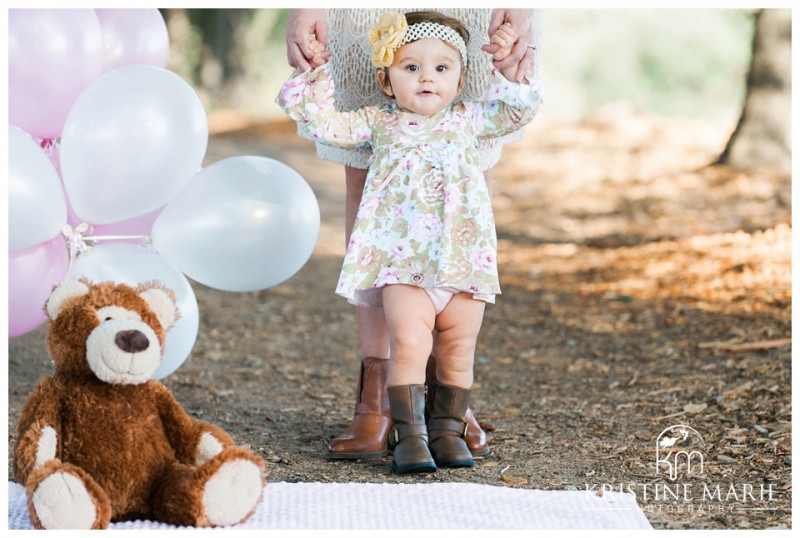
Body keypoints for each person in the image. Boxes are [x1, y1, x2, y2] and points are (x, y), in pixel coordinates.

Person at [284, 8, 540, 461]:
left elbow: (518, 111)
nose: (427, 78)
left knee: (460, 345)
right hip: (402, 262)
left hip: (461, 260)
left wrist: (509, 71)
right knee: (407, 340)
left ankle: (447, 426)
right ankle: (403, 427)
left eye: (442, 68)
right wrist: (318, 73)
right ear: (386, 81)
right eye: (411, 68)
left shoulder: (468, 119)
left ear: (461, 81)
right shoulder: (378, 122)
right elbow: (322, 121)